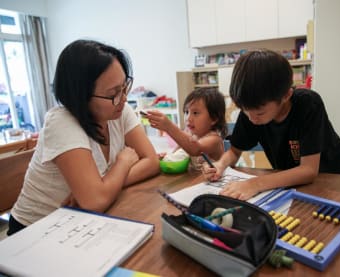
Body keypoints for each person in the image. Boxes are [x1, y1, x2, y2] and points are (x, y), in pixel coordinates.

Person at [7, 39, 160, 235]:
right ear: (80, 95)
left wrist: (104, 186)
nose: (123, 98)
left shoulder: (119, 109)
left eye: (124, 87)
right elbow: (95, 202)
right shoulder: (62, 122)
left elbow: (152, 161)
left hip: (81, 223)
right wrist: (123, 162)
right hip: (37, 230)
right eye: (113, 92)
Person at [203, 49, 340, 200]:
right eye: (244, 110)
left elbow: (309, 170)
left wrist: (255, 184)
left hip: (335, 179)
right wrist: (220, 164)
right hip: (292, 182)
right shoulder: (252, 106)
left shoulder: (308, 104)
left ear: (286, 96)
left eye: (259, 113)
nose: (251, 118)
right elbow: (235, 152)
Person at [146, 87, 227, 171]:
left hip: (215, 181)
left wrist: (169, 127)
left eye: (195, 113)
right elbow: (176, 153)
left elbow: (195, 149)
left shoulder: (214, 139)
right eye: (186, 112)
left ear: (214, 118)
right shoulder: (188, 133)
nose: (188, 118)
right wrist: (167, 158)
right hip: (193, 180)